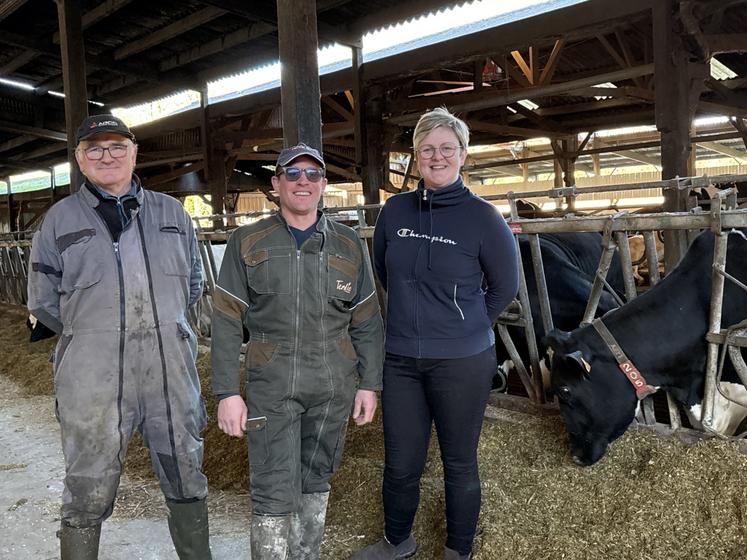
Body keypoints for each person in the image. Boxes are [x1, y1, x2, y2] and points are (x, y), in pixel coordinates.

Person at [27, 115, 211, 560]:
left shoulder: (172, 213)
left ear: (134, 151)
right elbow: (42, 301)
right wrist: (93, 335)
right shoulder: (58, 220)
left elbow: (192, 286)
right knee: (88, 481)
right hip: (92, 377)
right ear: (79, 159)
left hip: (169, 371)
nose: (106, 156)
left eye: (116, 146)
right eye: (94, 148)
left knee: (186, 469)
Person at [353, 107, 519, 560]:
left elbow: (505, 287)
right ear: (415, 157)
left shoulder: (483, 217)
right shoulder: (395, 210)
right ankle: (397, 540)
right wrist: (415, 319)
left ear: (463, 155)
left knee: (459, 462)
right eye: (427, 149)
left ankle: (457, 550)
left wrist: (463, 327)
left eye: (447, 148)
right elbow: (386, 271)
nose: (437, 156)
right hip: (402, 358)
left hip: (463, 362)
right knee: (401, 462)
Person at [211, 143, 384, 559]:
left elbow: (367, 320)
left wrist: (370, 384)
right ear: (276, 184)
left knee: (317, 479)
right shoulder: (247, 240)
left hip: (333, 383)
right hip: (271, 380)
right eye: (292, 174)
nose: (302, 182)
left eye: (312, 175)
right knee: (272, 486)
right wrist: (226, 393)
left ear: (323, 185)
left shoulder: (348, 243)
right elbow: (226, 319)